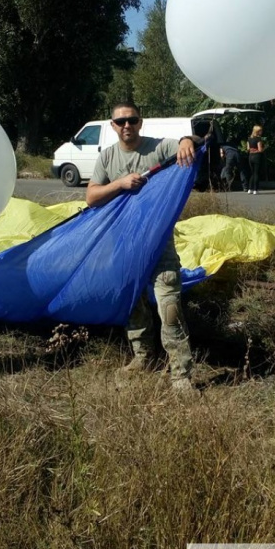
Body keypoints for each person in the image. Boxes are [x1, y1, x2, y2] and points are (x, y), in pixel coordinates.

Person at [86, 103, 202, 392]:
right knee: (133, 304)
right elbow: (91, 196)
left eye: (132, 120)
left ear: (140, 122)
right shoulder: (107, 158)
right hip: (123, 246)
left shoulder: (158, 148)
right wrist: (120, 184)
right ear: (113, 125)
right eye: (121, 121)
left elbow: (191, 143)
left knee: (170, 308)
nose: (127, 125)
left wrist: (189, 140)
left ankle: (181, 375)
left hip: (159, 245)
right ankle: (143, 356)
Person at [247, 125, 266, 195]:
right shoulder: (258, 139)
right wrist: (265, 148)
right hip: (257, 156)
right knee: (256, 173)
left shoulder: (249, 139)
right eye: (261, 131)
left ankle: (250, 189)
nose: (262, 132)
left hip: (250, 156)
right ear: (257, 132)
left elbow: (248, 149)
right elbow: (260, 149)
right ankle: (255, 189)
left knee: (252, 173)